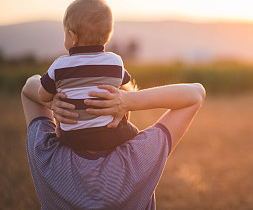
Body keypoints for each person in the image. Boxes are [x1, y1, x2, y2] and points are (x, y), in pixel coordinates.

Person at [22, 75, 205, 209]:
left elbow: (29, 87)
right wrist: (129, 100)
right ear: (125, 113)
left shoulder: (48, 156)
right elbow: (196, 93)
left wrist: (54, 101)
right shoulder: (138, 158)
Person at [38, 0, 138, 151]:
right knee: (135, 134)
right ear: (108, 36)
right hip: (109, 134)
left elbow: (42, 95)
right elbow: (128, 92)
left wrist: (55, 99)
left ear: (73, 37)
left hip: (70, 137)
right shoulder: (115, 62)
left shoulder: (59, 66)